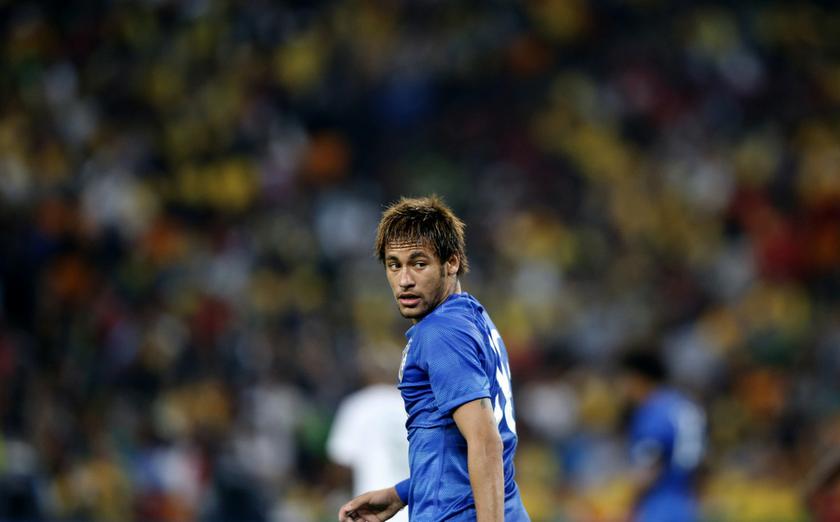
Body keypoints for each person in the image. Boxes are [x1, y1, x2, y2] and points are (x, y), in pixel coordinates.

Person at [338, 195, 530, 521]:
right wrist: (402, 493)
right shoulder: (473, 318)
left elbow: (486, 442)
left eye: (419, 263)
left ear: (451, 262)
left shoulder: (440, 333)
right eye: (393, 265)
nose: (404, 280)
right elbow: (455, 445)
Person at [619, 348, 706, 522]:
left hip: (659, 507)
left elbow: (648, 469)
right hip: (688, 505)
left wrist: (629, 507)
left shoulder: (652, 412)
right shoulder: (686, 406)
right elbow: (701, 463)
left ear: (637, 378)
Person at [327, 347, 410, 522]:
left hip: (372, 509)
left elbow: (340, 464)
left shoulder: (358, 405)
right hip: (411, 503)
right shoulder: (411, 405)